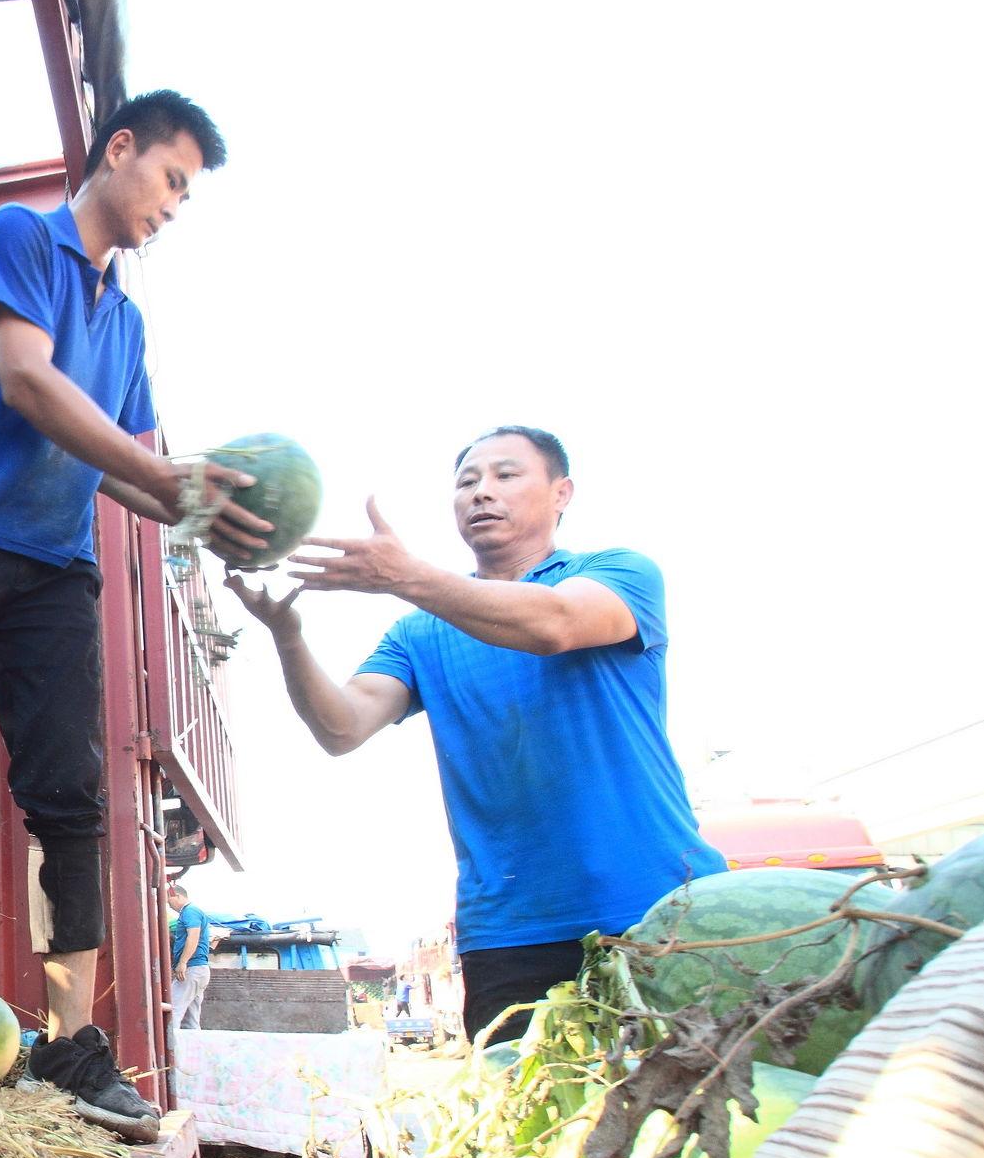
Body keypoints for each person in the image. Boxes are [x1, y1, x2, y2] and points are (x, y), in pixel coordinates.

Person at [0, 89, 271, 1143]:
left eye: (190, 193)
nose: (176, 206)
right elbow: (25, 381)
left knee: (71, 801)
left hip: (53, 569)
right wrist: (160, 470)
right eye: (172, 178)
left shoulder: (125, 320)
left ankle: (70, 1046)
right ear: (120, 147)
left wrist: (208, 518)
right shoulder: (20, 238)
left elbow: (135, 479)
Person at [228, 426, 723, 1043]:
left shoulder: (618, 573)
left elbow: (555, 625)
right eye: (466, 482)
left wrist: (406, 576)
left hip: (654, 905)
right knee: (531, 1130)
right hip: (508, 930)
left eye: (505, 476)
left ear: (562, 492)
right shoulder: (418, 633)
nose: (481, 493)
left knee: (681, 1120)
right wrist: (288, 636)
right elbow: (343, 727)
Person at [165, 880, 216, 1031]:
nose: (169, 905)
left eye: (169, 901)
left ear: (178, 896)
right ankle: (193, 1052)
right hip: (199, 970)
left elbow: (192, 936)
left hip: (192, 969)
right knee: (191, 1020)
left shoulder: (190, 911)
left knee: (172, 1011)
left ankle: (171, 1051)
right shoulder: (192, 912)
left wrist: (183, 962)